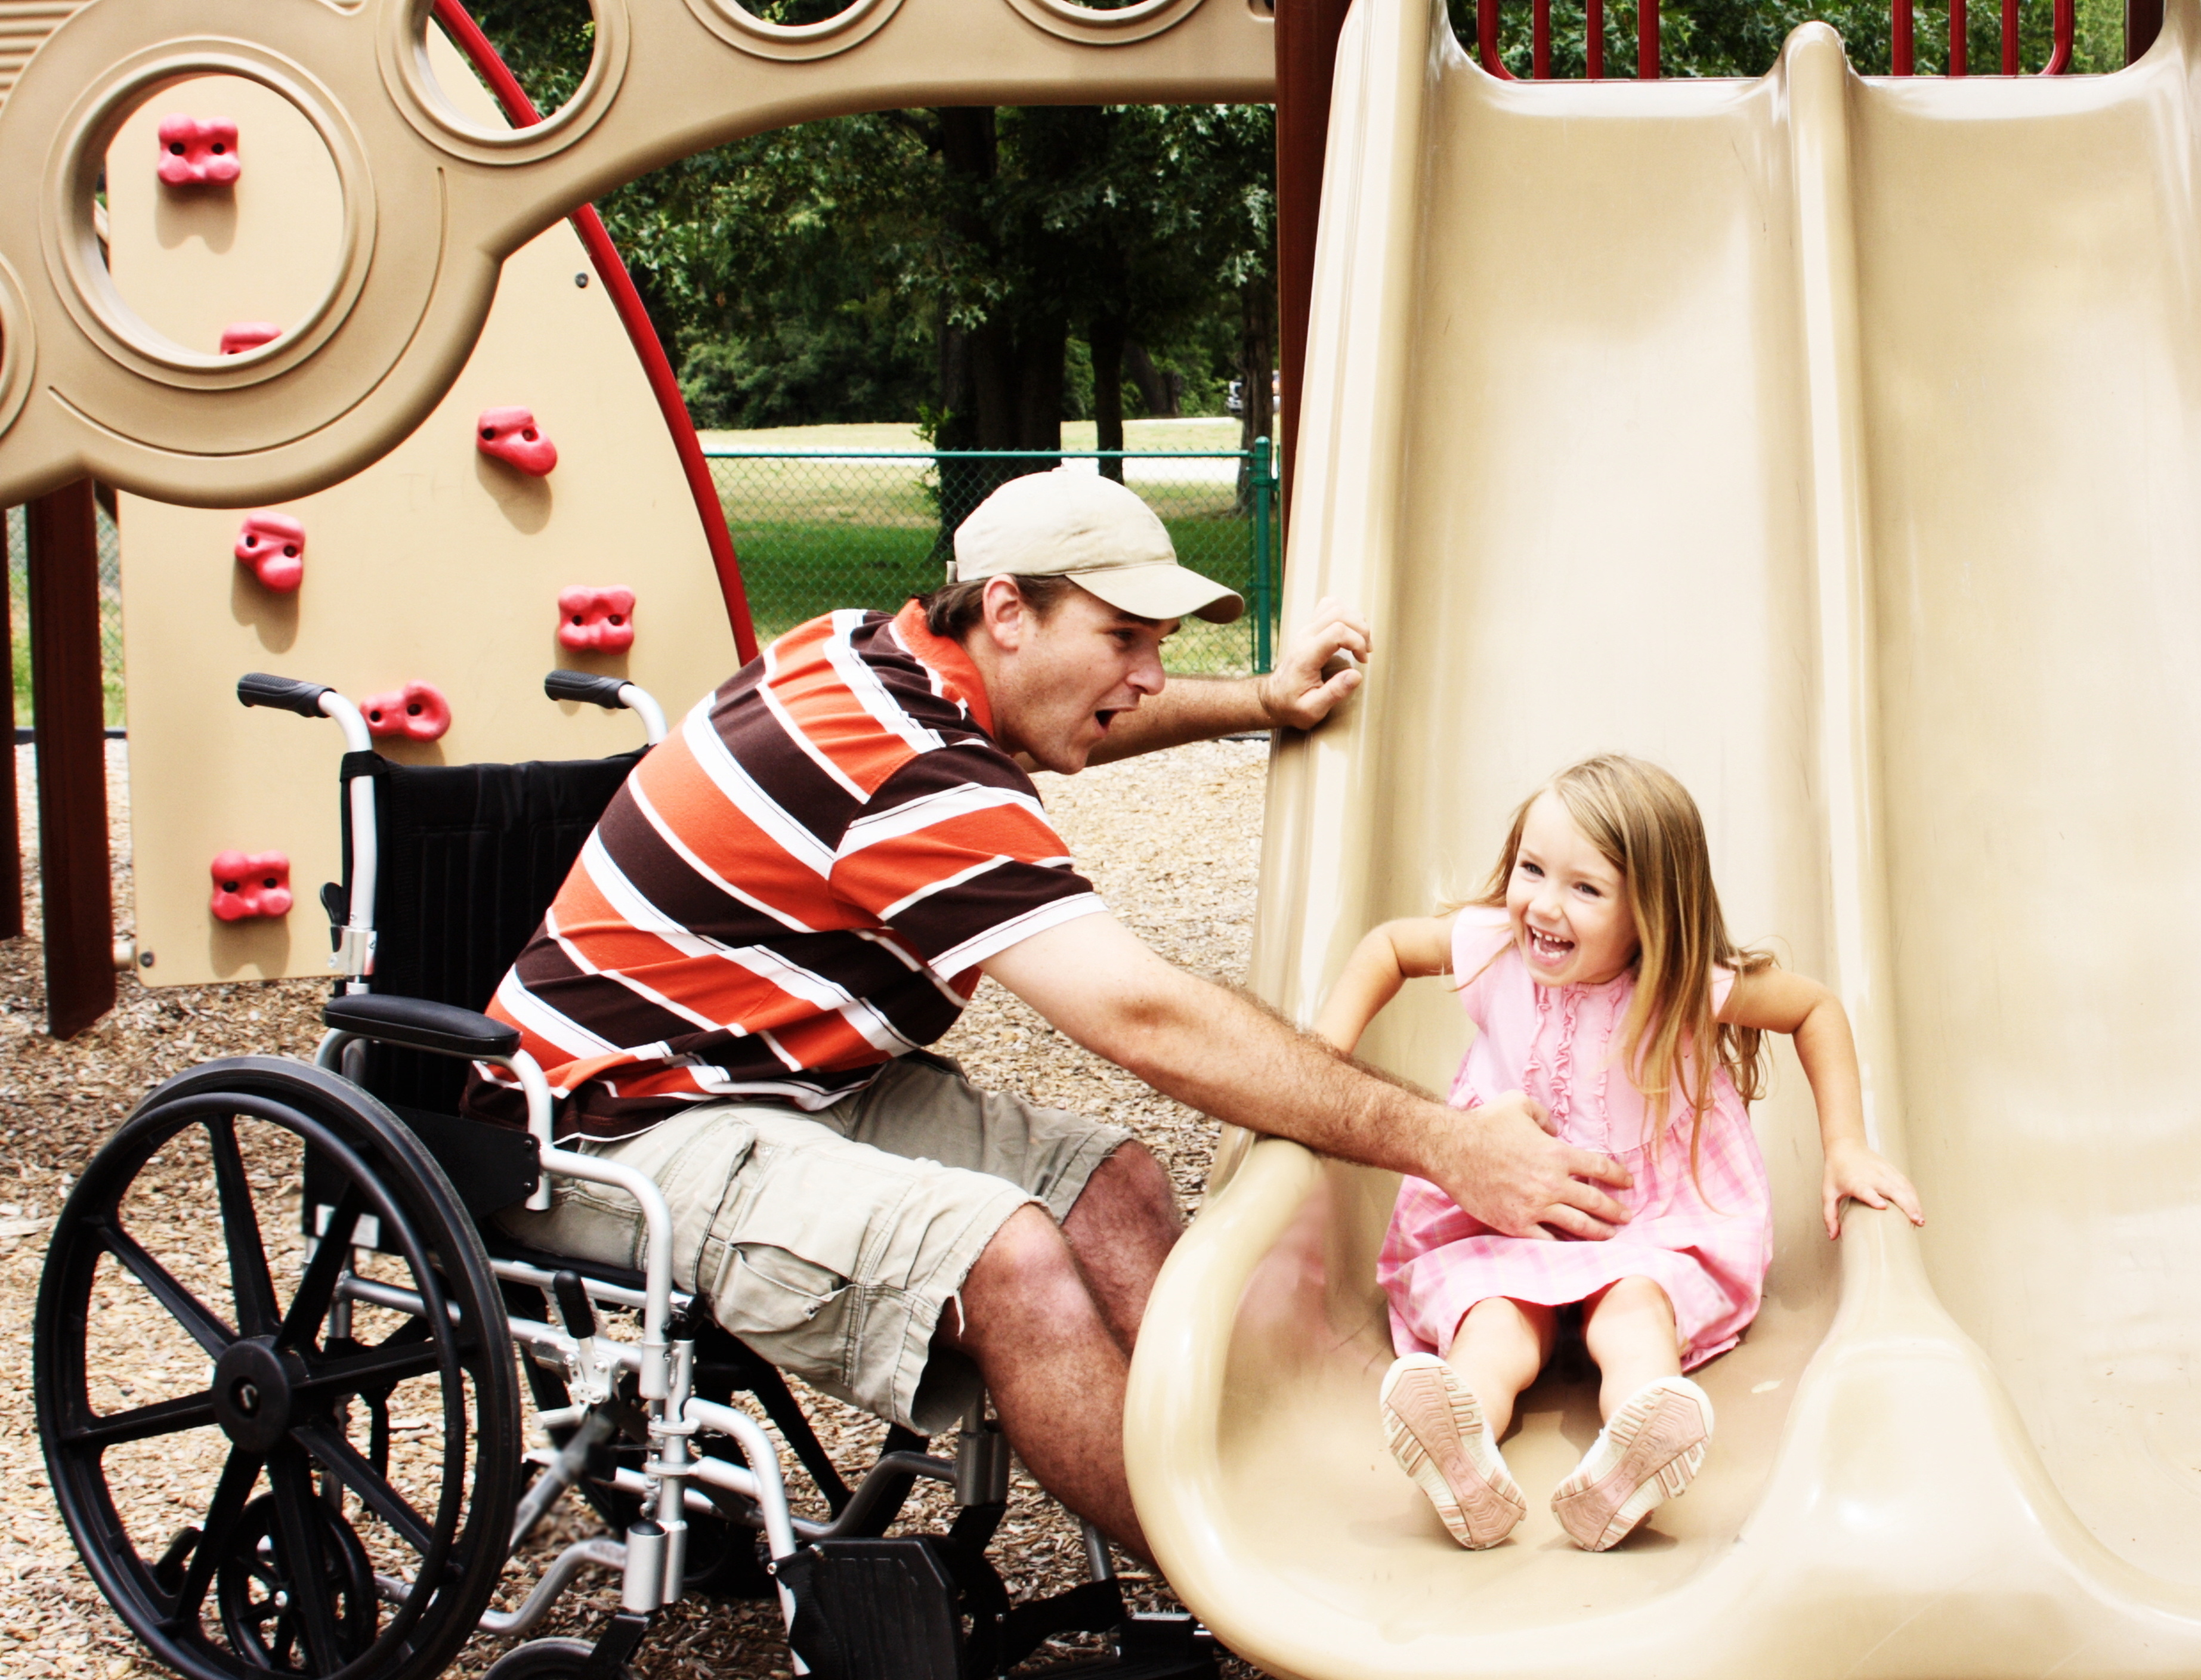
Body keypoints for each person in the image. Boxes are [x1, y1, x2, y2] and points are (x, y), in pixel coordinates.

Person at [472, 469, 1636, 1563]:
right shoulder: (911, 772)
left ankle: (1270, 1481)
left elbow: (1079, 718)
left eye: (1158, 644)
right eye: (1121, 638)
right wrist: (1447, 1140)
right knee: (1011, 1256)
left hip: (784, 1076)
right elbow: (1143, 1017)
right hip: (624, 1120)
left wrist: (1258, 699)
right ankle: (1250, 1576)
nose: (1142, 672)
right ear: (1007, 611)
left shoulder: (876, 647)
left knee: (1115, 1183)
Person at [1312, 754, 1924, 1553]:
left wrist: (1846, 1144)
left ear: (1650, 914)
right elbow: (1389, 948)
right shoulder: (1494, 946)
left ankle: (1632, 1455)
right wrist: (1320, 1066)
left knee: (1636, 1312)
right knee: (1492, 1320)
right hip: (1502, 1217)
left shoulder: (1680, 985)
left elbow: (1813, 1009)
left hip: (1642, 1224)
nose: (1543, 904)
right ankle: (1460, 1452)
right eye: (1532, 868)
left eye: (1585, 888)